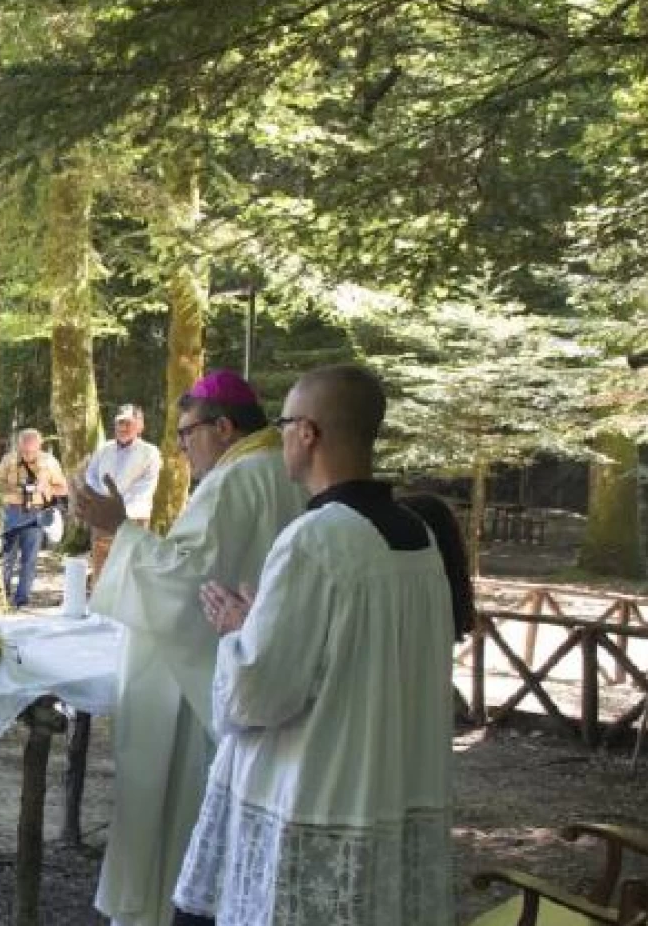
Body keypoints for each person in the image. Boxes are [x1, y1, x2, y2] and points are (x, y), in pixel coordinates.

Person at [171, 365, 456, 926]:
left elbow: (258, 694)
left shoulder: (315, 537)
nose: (278, 438)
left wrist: (237, 632)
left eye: (282, 425)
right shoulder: (420, 538)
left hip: (314, 791)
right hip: (389, 787)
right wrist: (264, 625)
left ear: (308, 433)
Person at [75, 371, 305, 926]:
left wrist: (118, 531)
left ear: (223, 427)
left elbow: (186, 583)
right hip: (271, 676)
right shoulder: (292, 472)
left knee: (181, 816)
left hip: (199, 685)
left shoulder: (234, 480)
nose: (181, 449)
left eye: (187, 434)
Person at [83, 404, 163, 587]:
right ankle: (98, 608)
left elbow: (146, 485)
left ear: (140, 426)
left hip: (134, 516)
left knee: (131, 565)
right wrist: (102, 499)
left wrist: (122, 508)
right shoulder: (104, 448)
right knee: (101, 562)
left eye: (128, 423)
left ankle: (125, 611)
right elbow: (91, 475)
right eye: (120, 423)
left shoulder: (150, 452)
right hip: (103, 515)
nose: (123, 428)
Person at [0, 427, 69, 607]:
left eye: (32, 451)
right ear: (19, 446)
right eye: (24, 451)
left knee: (30, 558)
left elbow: (63, 488)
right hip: (12, 511)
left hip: (37, 513)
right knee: (7, 555)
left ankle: (22, 599)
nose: (27, 455)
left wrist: (46, 489)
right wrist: (17, 490)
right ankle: (2, 596)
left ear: (40, 446)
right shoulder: (9, 460)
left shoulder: (50, 462)